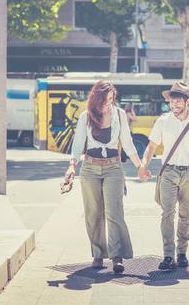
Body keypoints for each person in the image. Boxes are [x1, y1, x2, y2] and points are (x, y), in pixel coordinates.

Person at [64, 80, 143, 274]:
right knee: (93, 213)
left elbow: (127, 142)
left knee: (114, 212)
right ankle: (98, 254)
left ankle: (117, 256)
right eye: (104, 100)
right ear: (96, 99)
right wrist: (72, 167)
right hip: (90, 168)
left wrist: (139, 166)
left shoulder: (119, 115)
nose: (108, 103)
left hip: (113, 167)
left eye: (111, 99)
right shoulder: (86, 117)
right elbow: (77, 144)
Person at [138, 81, 189, 270]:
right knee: (167, 214)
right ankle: (167, 255)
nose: (173, 105)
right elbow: (152, 146)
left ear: (187, 102)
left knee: (185, 215)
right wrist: (143, 165)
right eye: (171, 102)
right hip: (169, 172)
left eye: (178, 101)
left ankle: (182, 253)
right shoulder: (163, 121)